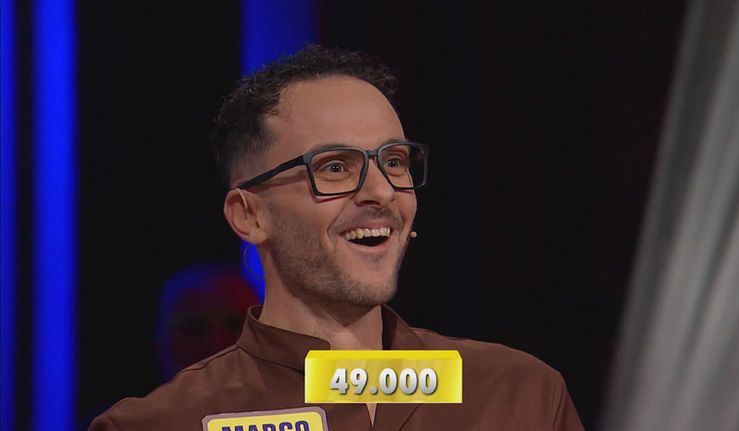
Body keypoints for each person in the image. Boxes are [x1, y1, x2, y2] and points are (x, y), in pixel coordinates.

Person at [89, 45, 584, 431]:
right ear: (249, 215)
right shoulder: (162, 423)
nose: (382, 192)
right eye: (334, 168)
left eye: (394, 161)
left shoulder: (518, 395)